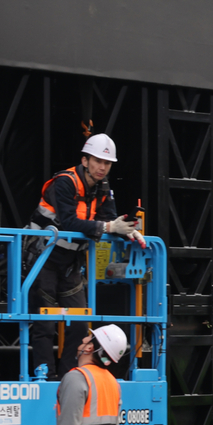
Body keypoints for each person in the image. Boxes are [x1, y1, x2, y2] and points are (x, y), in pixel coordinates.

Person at [28, 133, 142, 379]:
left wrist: (131, 232)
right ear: (85, 160)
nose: (102, 167)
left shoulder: (103, 187)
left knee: (80, 323)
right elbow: (69, 221)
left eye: (107, 163)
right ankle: (44, 377)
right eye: (98, 161)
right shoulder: (65, 182)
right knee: (44, 324)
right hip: (43, 259)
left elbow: (107, 219)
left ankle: (70, 376)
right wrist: (111, 227)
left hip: (70, 263)